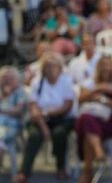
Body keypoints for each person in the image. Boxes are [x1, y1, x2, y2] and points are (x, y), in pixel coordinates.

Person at [15, 53, 75, 183]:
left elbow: (67, 105)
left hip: (61, 118)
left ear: (60, 68)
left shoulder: (66, 81)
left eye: (53, 66)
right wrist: (43, 125)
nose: (50, 69)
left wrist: (47, 113)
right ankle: (24, 171)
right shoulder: (37, 82)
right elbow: (33, 106)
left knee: (59, 133)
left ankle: (61, 168)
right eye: (47, 66)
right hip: (40, 119)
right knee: (34, 136)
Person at [75, 56, 112, 183]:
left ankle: (87, 171)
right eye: (102, 65)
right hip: (91, 119)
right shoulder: (90, 82)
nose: (105, 68)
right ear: (97, 68)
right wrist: (99, 88)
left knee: (86, 124)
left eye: (108, 65)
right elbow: (80, 99)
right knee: (86, 119)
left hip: (110, 121)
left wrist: (102, 99)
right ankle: (98, 152)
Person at [0, 67, 26, 167]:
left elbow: (18, 110)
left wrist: (2, 111)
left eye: (10, 78)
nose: (7, 80)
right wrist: (4, 95)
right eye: (4, 78)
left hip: (11, 125)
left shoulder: (20, 92)